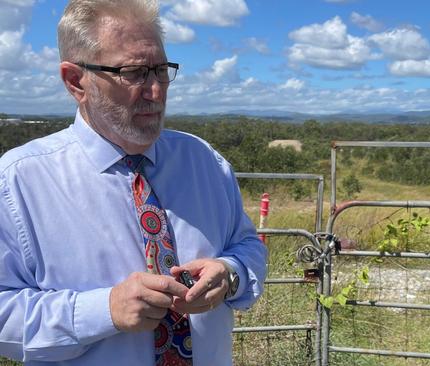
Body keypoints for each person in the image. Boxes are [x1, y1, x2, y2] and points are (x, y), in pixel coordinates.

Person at [0, 1, 267, 365]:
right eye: (134, 73)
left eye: (160, 70)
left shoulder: (204, 161)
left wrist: (230, 275)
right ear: (76, 81)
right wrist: (104, 310)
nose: (155, 91)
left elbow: (247, 245)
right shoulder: (19, 182)